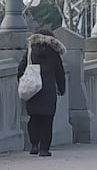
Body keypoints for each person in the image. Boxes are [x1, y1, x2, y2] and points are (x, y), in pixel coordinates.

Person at [16, 29, 66, 157]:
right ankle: (44, 149)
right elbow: (60, 73)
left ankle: (34, 145)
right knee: (47, 120)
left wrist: (23, 82)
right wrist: (61, 88)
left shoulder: (31, 51)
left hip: (33, 90)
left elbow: (21, 68)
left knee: (33, 118)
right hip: (48, 90)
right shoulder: (54, 53)